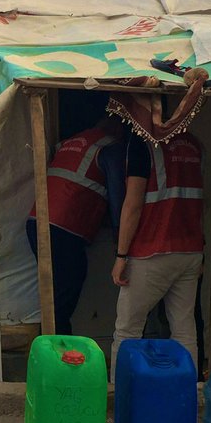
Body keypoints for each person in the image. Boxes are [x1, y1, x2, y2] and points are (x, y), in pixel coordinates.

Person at [108, 74, 207, 374]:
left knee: (127, 330)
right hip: (190, 251)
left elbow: (133, 204)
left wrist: (121, 255)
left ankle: (121, 398)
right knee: (184, 329)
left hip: (152, 250)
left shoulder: (142, 145)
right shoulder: (193, 143)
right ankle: (188, 395)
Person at [26, 117, 122, 334]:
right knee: (66, 288)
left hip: (38, 221)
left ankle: (52, 341)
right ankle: (56, 347)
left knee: (57, 290)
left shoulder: (72, 141)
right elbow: (118, 196)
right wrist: (121, 236)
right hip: (63, 226)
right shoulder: (109, 147)